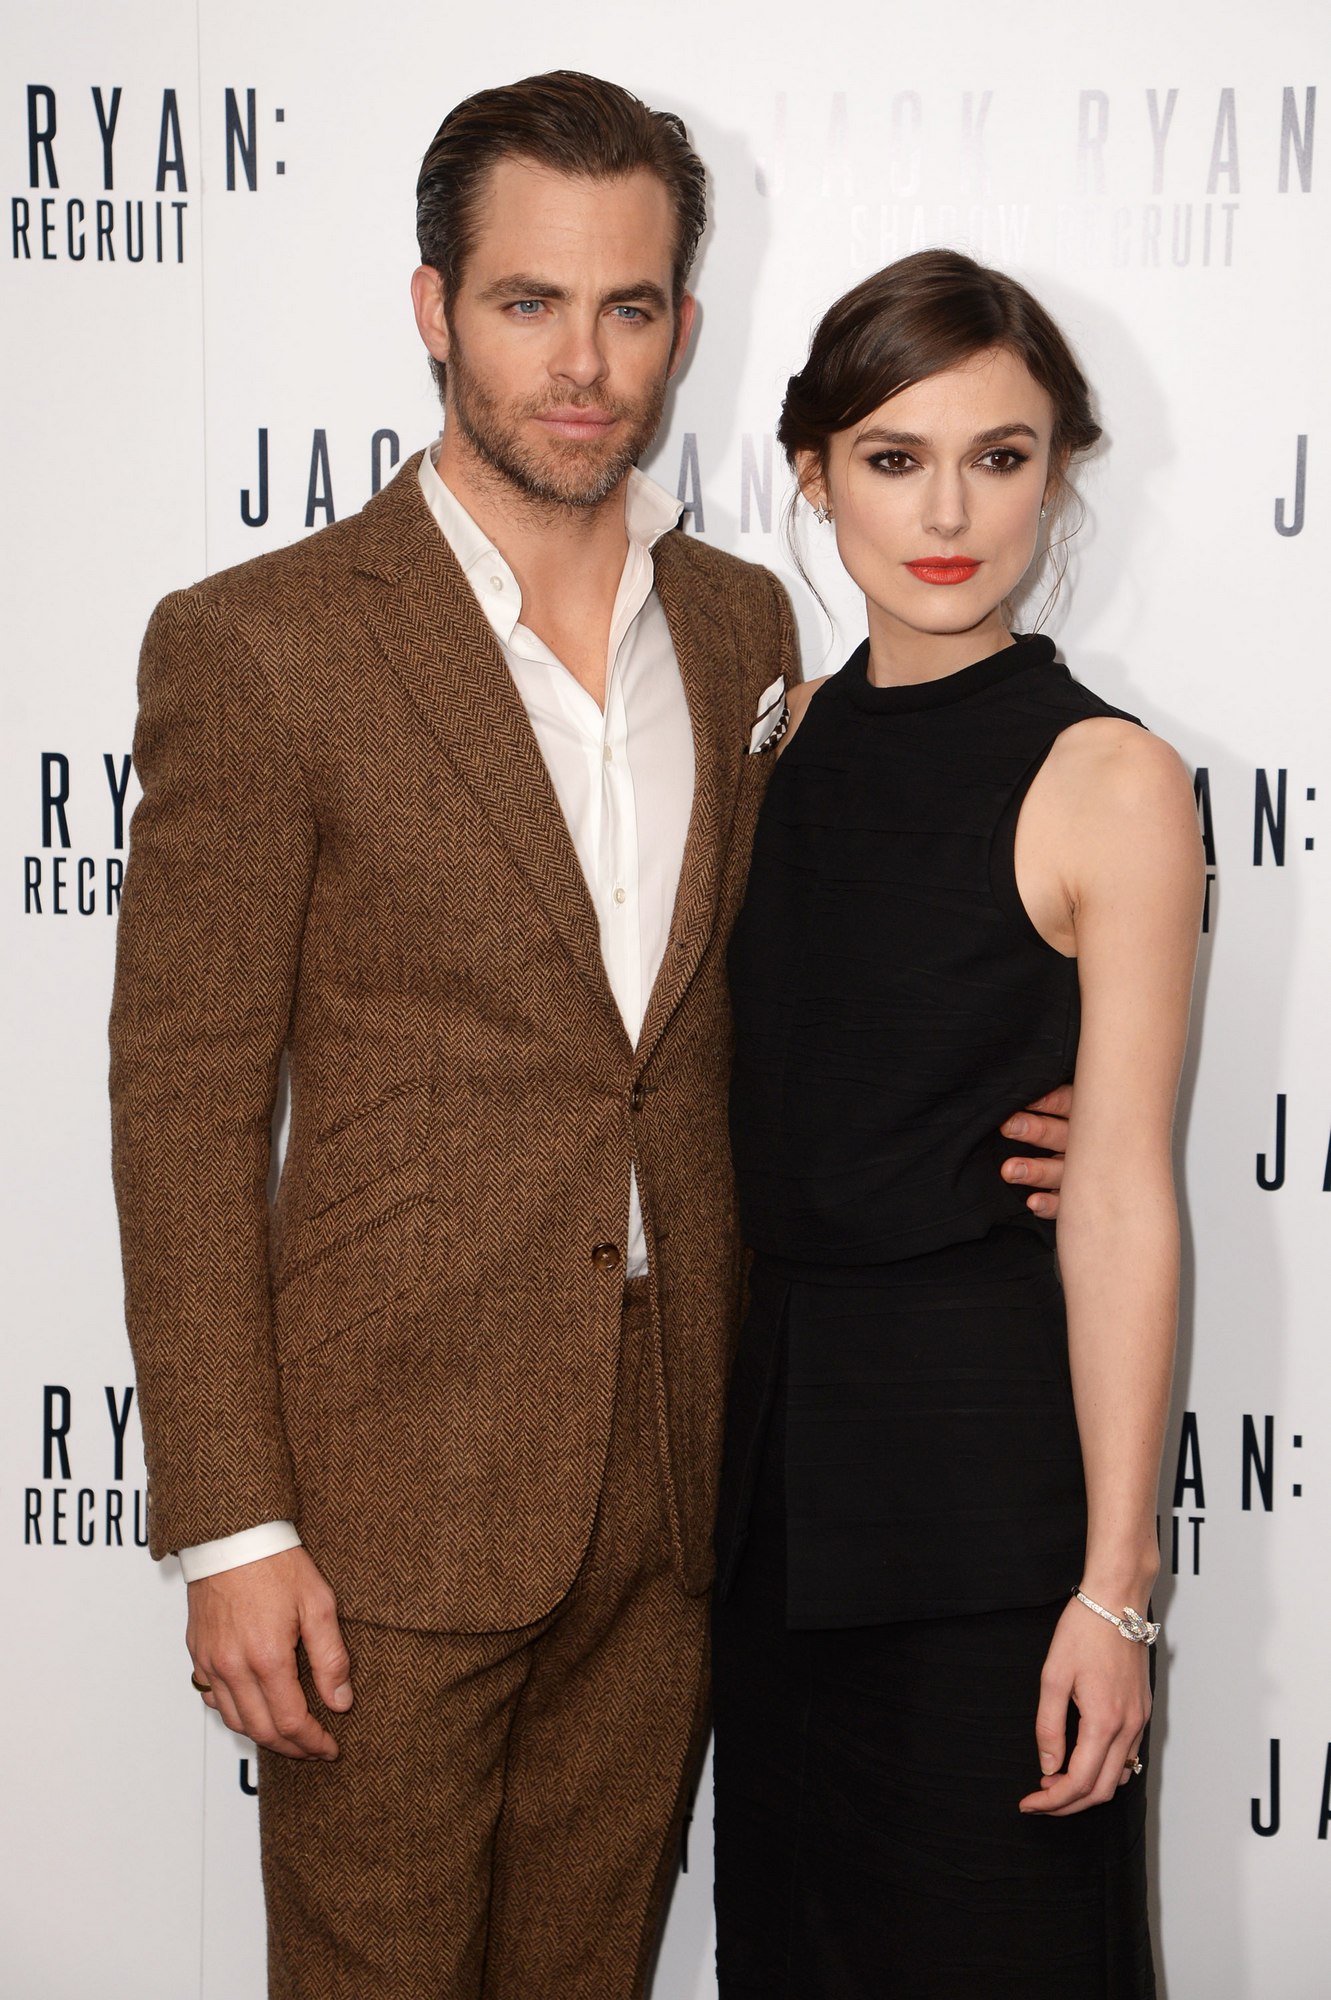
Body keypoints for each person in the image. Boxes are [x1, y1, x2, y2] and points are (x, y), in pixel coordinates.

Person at [108, 78, 1072, 2000]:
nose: (582, 363)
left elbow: (820, 969)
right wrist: (230, 1524)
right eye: (528, 302)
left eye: (629, 308)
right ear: (433, 308)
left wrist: (1031, 1104)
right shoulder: (263, 645)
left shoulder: (744, 634)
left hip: (686, 1480)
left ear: (685, 326)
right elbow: (184, 1107)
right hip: (382, 1505)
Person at [713, 249, 1204, 1999]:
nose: (946, 515)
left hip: (993, 1506)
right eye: (892, 458)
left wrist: (1115, 1590)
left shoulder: (1109, 776)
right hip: (767, 1499)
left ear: (1058, 474)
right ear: (812, 474)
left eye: (999, 458)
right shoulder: (769, 743)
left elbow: (1123, 1196)